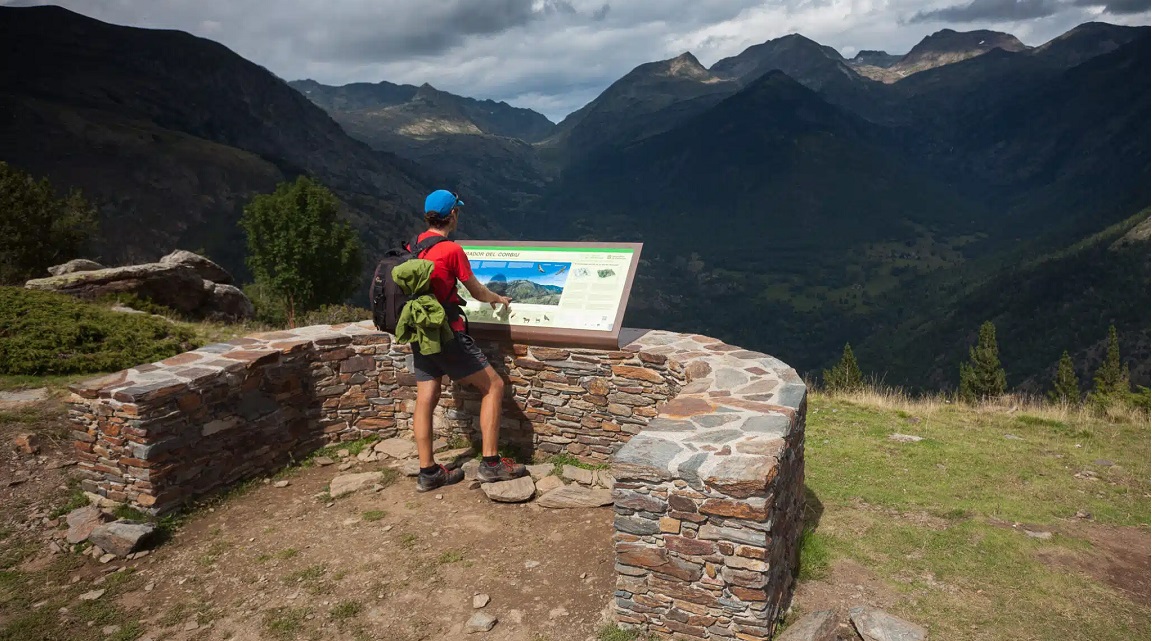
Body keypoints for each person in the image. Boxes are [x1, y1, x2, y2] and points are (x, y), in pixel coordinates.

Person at [410, 189, 528, 492]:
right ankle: (491, 465)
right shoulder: (451, 250)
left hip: (421, 330)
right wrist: (498, 298)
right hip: (447, 331)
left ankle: (428, 472)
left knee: (427, 395)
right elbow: (476, 291)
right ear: (454, 215)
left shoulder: (415, 245)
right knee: (494, 386)